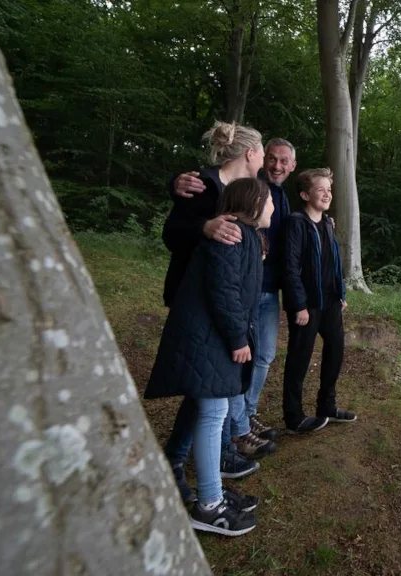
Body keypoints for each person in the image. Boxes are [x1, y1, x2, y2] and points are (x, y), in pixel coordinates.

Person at [145, 176, 274, 536]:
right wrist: (237, 338)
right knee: (213, 413)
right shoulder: (231, 236)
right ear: (252, 204)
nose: (274, 208)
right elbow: (224, 291)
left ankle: (212, 492)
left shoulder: (246, 237)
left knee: (213, 412)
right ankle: (209, 505)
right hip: (205, 339)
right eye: (269, 202)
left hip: (210, 339)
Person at [172, 139, 297, 440]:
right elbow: (204, 190)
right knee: (232, 361)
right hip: (233, 292)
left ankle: (244, 417)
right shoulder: (245, 187)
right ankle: (234, 432)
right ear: (257, 157)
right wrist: (174, 184)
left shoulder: (281, 197)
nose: (276, 165)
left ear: (293, 166)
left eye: (284, 161)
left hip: (265, 289)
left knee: (261, 357)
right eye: (271, 158)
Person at [282, 168, 357, 434]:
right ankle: (294, 417)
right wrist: (299, 304)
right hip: (307, 304)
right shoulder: (296, 223)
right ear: (305, 194)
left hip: (330, 302)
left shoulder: (327, 223)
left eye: (329, 189)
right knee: (299, 358)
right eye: (320, 189)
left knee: (336, 349)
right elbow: (289, 267)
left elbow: (333, 261)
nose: (327, 194)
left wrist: (341, 294)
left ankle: (327, 405)